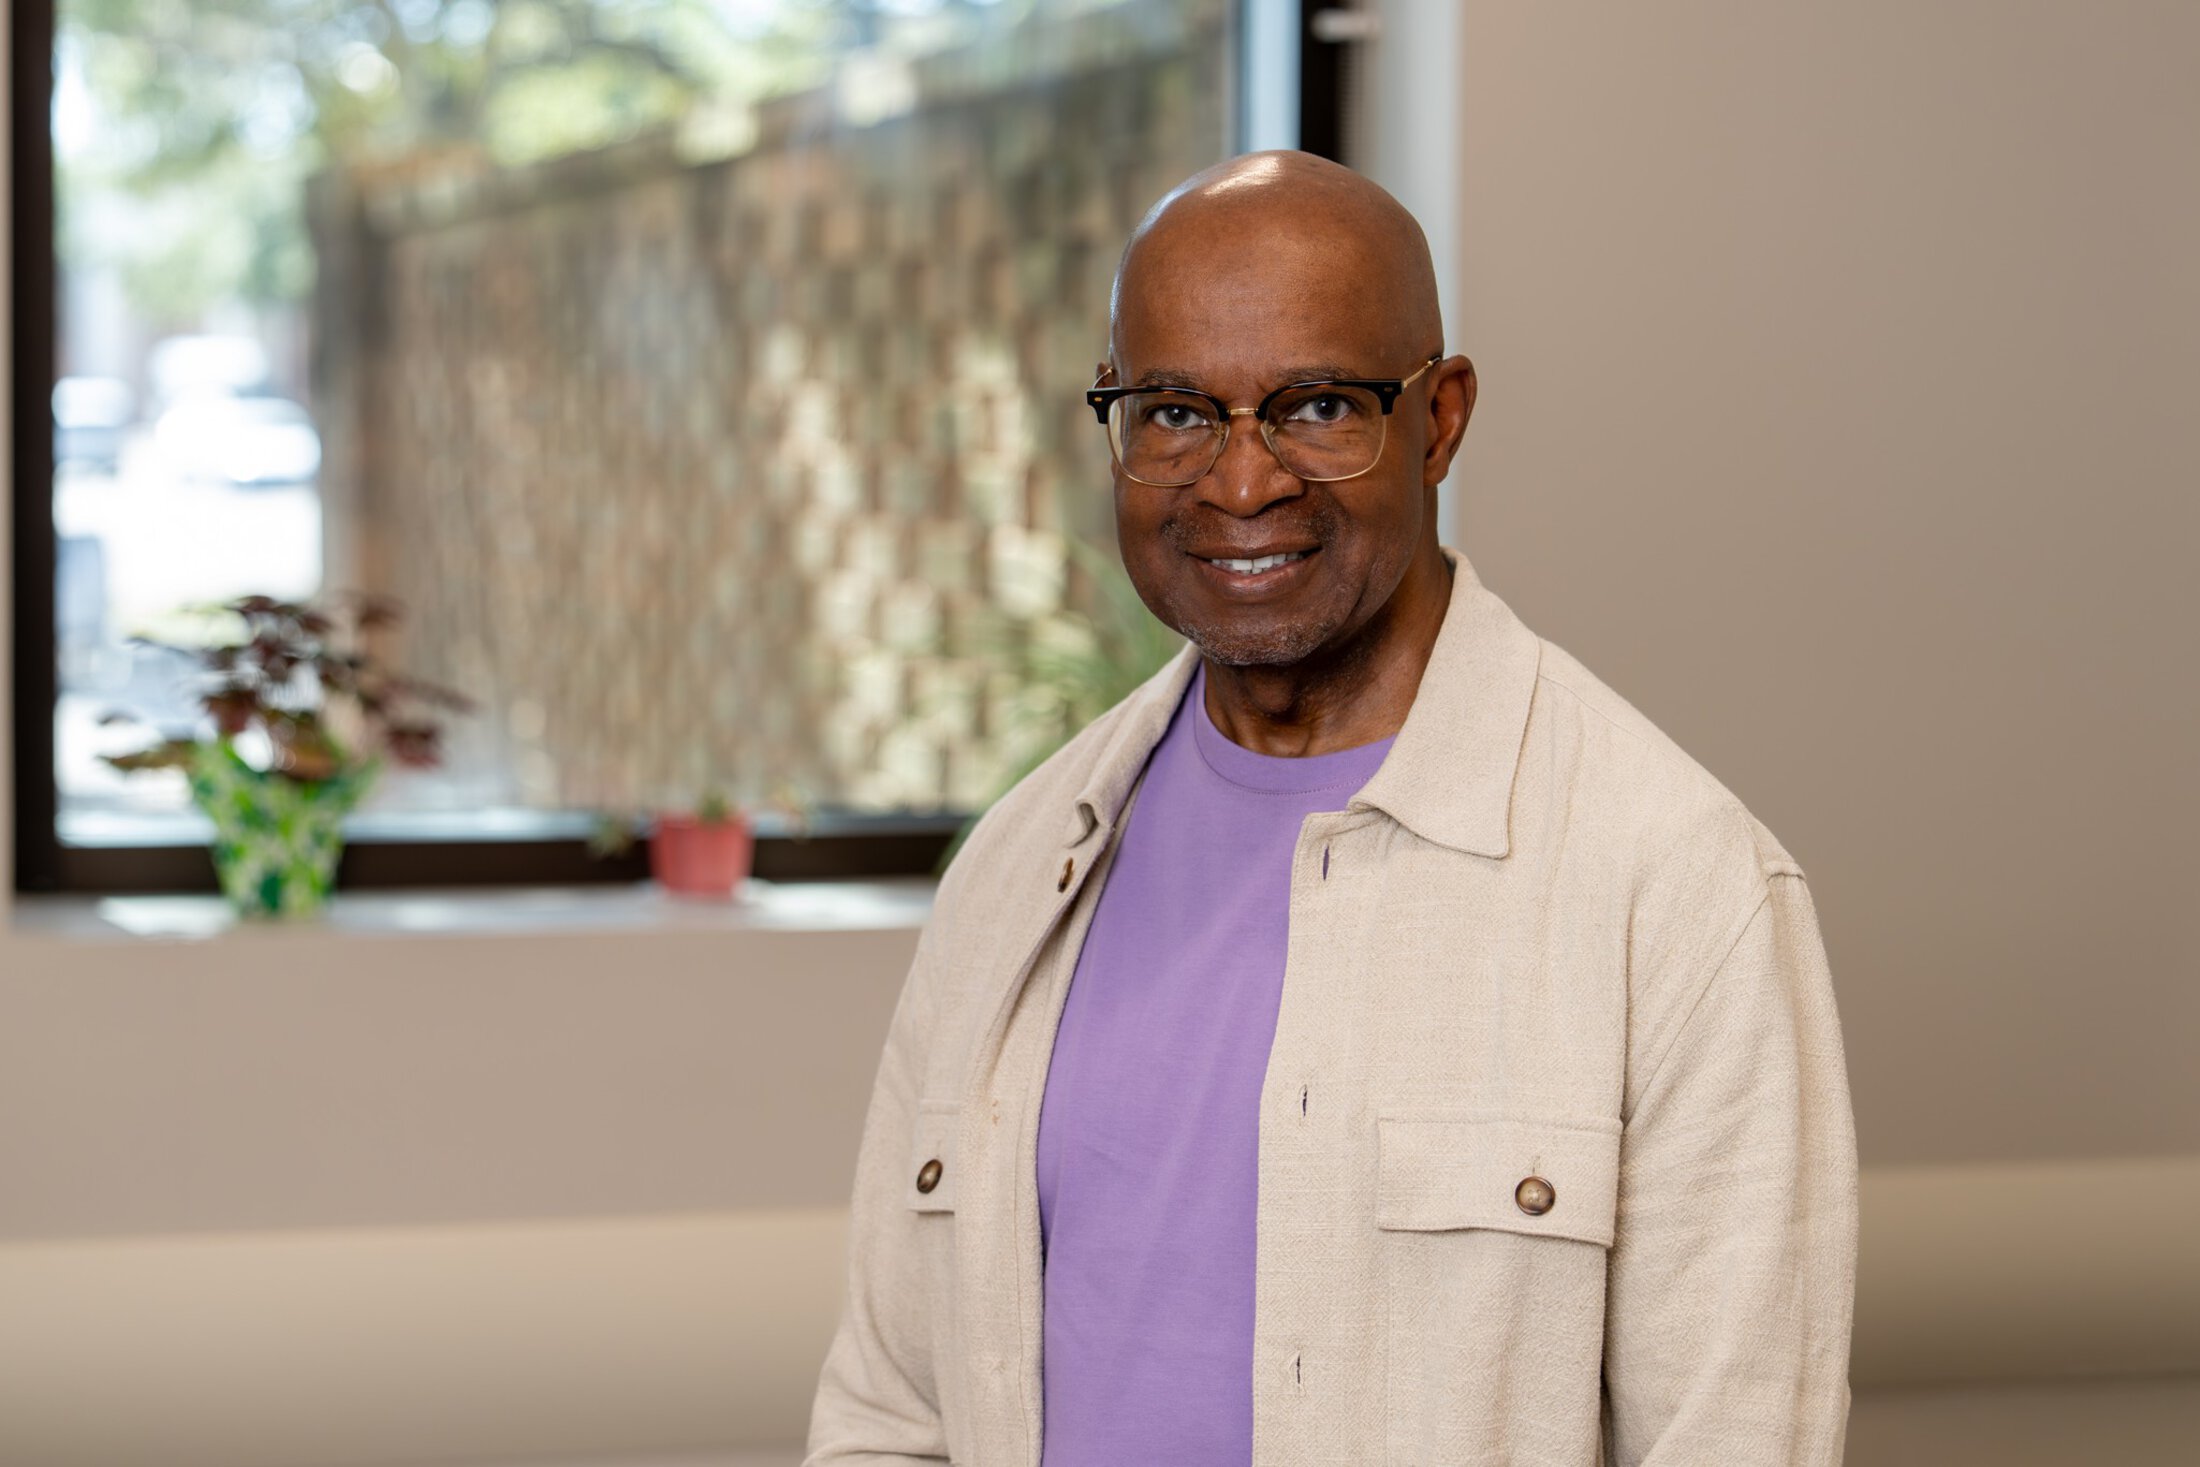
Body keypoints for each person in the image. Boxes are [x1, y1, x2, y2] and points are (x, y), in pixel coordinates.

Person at [805, 151, 1857, 1467]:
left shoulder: (1674, 884)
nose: (1241, 485)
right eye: (1174, 412)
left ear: (1443, 417)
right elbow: (890, 1417)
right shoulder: (1020, 871)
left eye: (1315, 406)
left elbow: (1735, 1441)